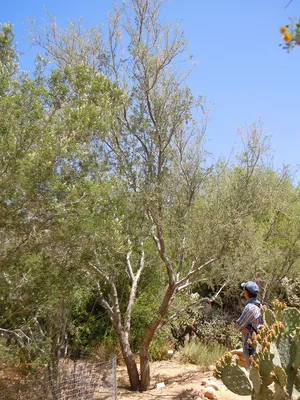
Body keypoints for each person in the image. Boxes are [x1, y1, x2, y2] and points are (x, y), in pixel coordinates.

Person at [235, 281, 263, 368]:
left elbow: (238, 325)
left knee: (253, 371)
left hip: (250, 345)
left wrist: (240, 327)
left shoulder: (250, 307)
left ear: (246, 292)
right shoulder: (260, 305)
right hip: (260, 343)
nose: (243, 292)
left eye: (244, 290)